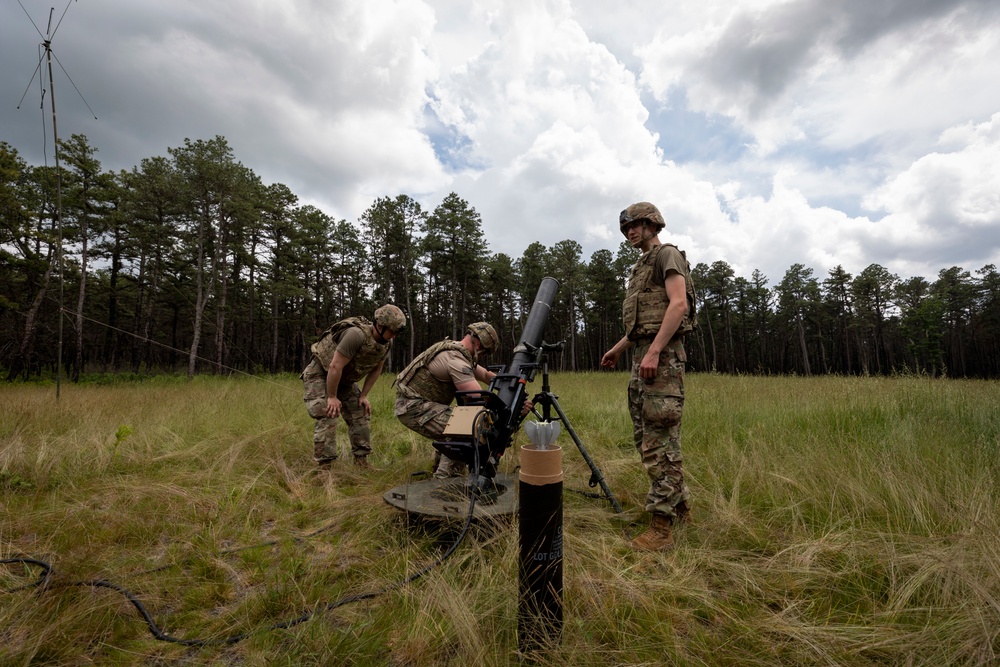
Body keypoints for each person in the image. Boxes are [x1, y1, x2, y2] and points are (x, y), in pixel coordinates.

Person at [601, 202, 697, 551]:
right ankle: (682, 511)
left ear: (653, 224)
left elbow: (677, 305)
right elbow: (643, 325)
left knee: (658, 441)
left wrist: (655, 351)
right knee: (651, 438)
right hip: (644, 356)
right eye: (627, 227)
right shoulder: (640, 267)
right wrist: (618, 349)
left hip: (662, 359)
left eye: (637, 225)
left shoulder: (666, 255)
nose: (631, 231)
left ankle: (661, 529)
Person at [302, 304, 406, 470]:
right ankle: (324, 468)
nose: (393, 336)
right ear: (379, 326)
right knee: (328, 413)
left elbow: (376, 369)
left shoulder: (386, 343)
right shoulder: (355, 335)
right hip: (321, 373)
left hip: (344, 380)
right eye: (391, 331)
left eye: (396, 332)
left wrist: (363, 395)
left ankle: (361, 462)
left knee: (360, 412)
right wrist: (332, 397)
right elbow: (335, 366)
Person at [394, 322, 501, 478]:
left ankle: (441, 468)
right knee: (466, 426)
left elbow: (485, 375)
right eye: (484, 353)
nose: (482, 356)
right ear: (478, 344)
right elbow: (477, 396)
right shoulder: (456, 360)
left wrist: (508, 382)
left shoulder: (456, 351)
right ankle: (446, 479)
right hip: (412, 407)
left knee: (453, 422)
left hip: (414, 404)